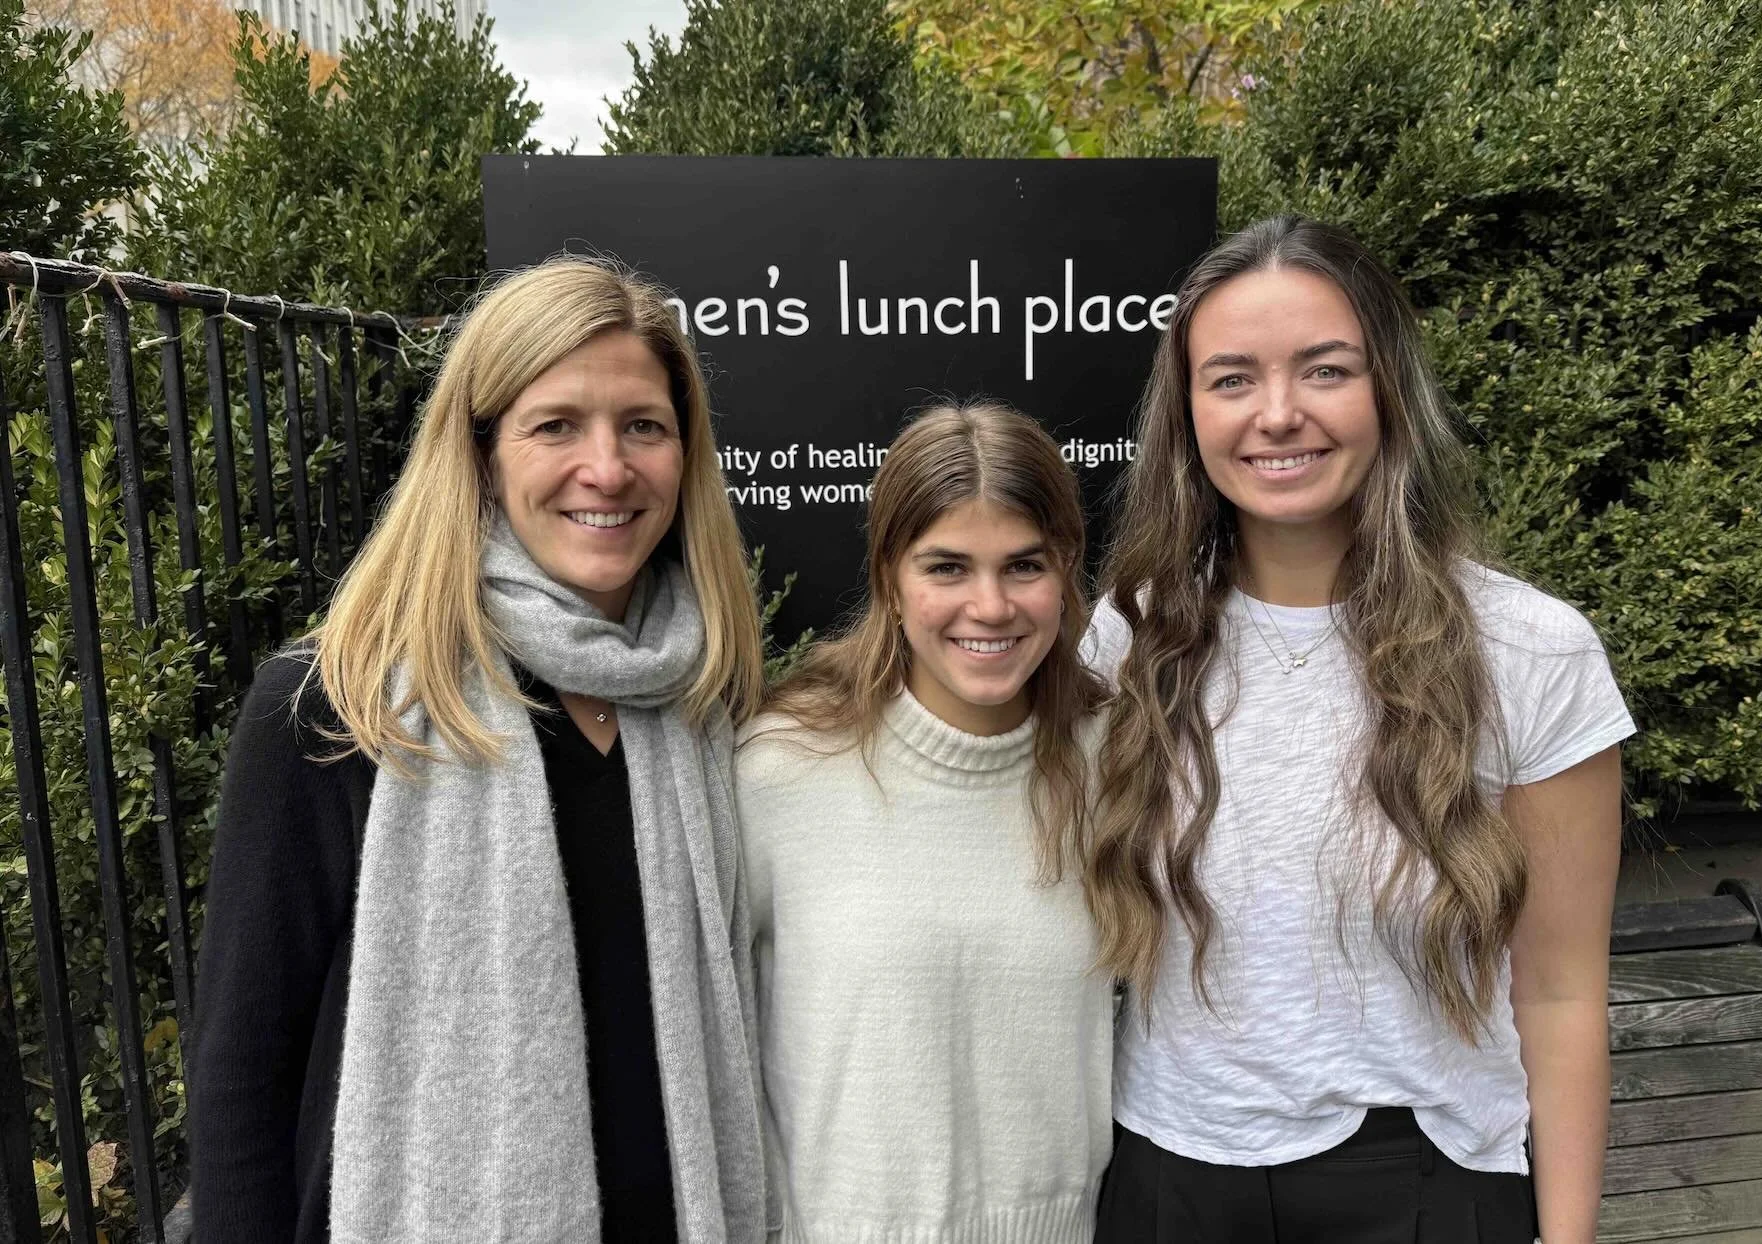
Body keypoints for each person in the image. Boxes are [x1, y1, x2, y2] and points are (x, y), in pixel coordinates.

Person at [189, 256, 769, 1244]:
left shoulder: (701, 698)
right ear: (482, 450)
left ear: (685, 453)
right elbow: (241, 1075)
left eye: (644, 425)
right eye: (556, 424)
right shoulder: (341, 701)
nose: (609, 466)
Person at [1085, 216, 1635, 1244]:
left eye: (1325, 370)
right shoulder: (1132, 632)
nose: (1278, 414)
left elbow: (1561, 994)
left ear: (1389, 390)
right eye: (1233, 377)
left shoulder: (1531, 650)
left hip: (1428, 1180)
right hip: (1168, 1175)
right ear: (1188, 408)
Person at [736, 403, 1112, 1243]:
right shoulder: (780, 771)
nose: (990, 605)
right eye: (946, 567)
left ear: (1066, 574)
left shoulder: (1111, 761)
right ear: (889, 581)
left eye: (1024, 566)